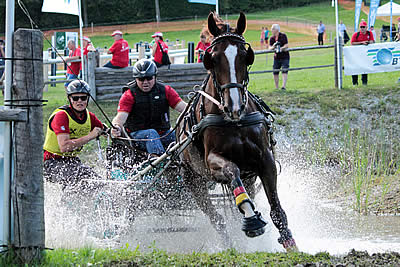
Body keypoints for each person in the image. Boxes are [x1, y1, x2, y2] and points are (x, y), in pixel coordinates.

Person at [111, 59, 187, 156]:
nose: (145, 82)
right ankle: (161, 163)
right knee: (151, 134)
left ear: (155, 77)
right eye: (141, 79)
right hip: (137, 137)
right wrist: (116, 127)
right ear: (136, 79)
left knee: (176, 134)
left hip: (163, 133)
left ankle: (183, 161)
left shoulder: (166, 91)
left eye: (149, 78)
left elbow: (184, 108)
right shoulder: (129, 95)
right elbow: (120, 118)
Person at [43, 80, 105, 187]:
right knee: (81, 179)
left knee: (97, 182)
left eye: (83, 98)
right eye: (75, 98)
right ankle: (67, 203)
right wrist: (90, 136)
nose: (79, 101)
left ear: (88, 98)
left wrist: (113, 131)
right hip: (51, 162)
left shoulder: (89, 116)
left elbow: (103, 130)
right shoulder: (61, 116)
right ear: (70, 99)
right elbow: (64, 146)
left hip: (72, 161)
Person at [350, 21, 375, 86]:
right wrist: (362, 43)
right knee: (355, 68)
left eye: (363, 27)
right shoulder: (356, 34)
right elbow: (352, 43)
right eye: (361, 27)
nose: (362, 28)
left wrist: (367, 42)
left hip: (365, 55)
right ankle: (355, 83)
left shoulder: (370, 33)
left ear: (366, 27)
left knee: (364, 68)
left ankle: (364, 83)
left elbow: (372, 41)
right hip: (356, 55)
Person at [269, 24, 290, 90]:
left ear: (276, 30)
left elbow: (286, 45)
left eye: (272, 29)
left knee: (284, 70)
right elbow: (269, 47)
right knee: (275, 72)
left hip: (285, 56)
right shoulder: (272, 38)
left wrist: (281, 48)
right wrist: (273, 47)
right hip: (276, 57)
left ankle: (283, 86)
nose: (271, 30)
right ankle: (276, 87)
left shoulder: (283, 36)